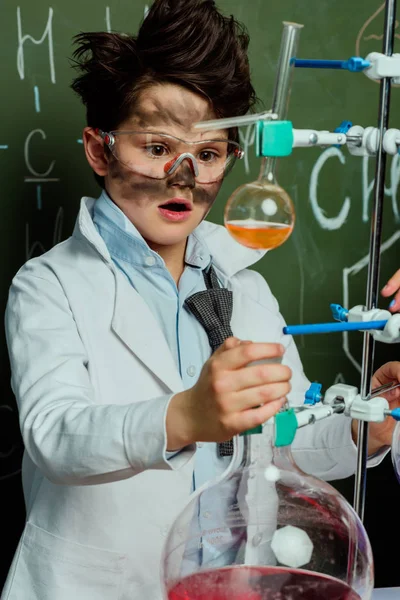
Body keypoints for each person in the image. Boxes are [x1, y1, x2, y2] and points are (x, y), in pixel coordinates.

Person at [2, 1, 400, 599]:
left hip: (232, 585)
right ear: (99, 150)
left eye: (208, 154)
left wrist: (366, 429)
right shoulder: (49, 284)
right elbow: (56, 436)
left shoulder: (247, 288)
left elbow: (285, 447)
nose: (182, 177)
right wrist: (185, 416)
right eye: (157, 148)